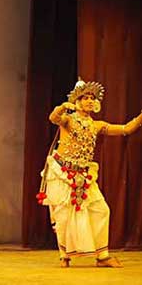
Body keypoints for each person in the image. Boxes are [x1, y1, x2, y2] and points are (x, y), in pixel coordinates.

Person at [38, 78, 142, 268]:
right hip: (62, 172)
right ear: (77, 101)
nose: (89, 101)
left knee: (101, 210)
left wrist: (140, 117)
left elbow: (126, 129)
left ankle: (102, 256)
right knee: (63, 216)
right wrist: (62, 107)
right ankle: (64, 255)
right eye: (85, 97)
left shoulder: (97, 125)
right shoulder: (68, 120)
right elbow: (53, 118)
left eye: (92, 98)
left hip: (84, 176)